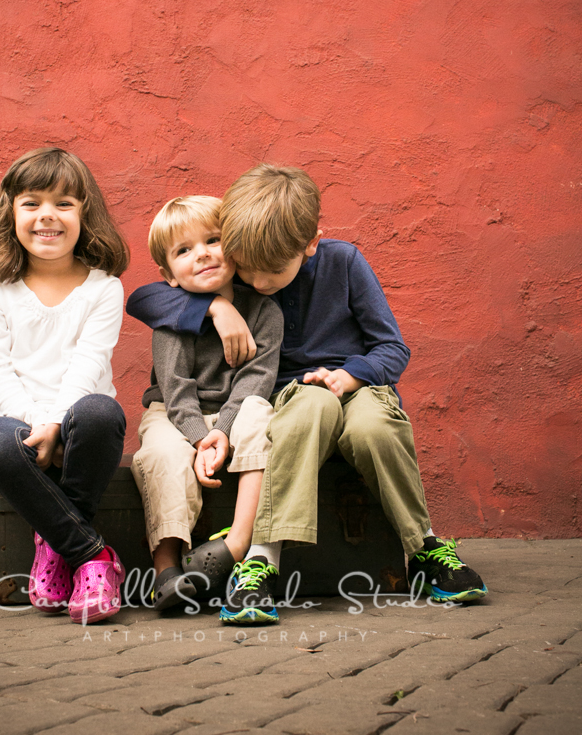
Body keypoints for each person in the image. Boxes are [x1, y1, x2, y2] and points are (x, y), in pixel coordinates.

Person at [127, 164, 488, 624]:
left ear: (311, 243)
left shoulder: (342, 262)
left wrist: (351, 376)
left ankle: (423, 547)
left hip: (356, 387)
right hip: (290, 395)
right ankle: (261, 559)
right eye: (248, 269)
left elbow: (393, 348)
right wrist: (215, 304)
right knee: (310, 407)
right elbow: (145, 298)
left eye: (272, 270)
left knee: (375, 427)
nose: (258, 281)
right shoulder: (240, 266)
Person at [0, 147, 129, 625]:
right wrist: (37, 423)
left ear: (85, 213)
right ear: (12, 212)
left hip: (80, 418)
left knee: (102, 413)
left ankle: (53, 543)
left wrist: (59, 423)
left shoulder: (104, 288)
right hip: (17, 418)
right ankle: (92, 556)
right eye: (32, 203)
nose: (48, 216)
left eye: (64, 203)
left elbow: (88, 365)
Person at [131, 196, 283, 615]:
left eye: (213, 240)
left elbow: (257, 379)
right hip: (175, 413)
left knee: (262, 415)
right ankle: (166, 570)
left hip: (236, 410)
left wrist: (224, 429)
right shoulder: (171, 322)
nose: (202, 254)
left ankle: (235, 546)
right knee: (162, 453)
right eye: (184, 250)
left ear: (232, 244)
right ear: (168, 275)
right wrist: (201, 438)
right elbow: (176, 391)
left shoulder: (263, 310)